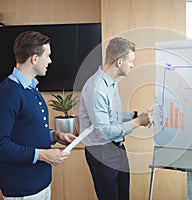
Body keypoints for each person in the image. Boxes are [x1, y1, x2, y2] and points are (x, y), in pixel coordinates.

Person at [0, 31, 76, 200]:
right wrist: (42, 155)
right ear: (34, 59)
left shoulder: (32, 89)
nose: (50, 61)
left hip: (41, 184)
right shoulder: (8, 93)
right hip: (22, 189)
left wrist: (55, 136)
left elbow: (27, 131)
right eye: (47, 56)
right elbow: (1, 145)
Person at [79, 37, 154, 200]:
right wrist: (138, 122)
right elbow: (104, 131)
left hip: (118, 148)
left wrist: (136, 115)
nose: (132, 65)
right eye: (131, 61)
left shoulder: (111, 83)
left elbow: (113, 116)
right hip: (102, 152)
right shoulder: (96, 88)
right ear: (119, 62)